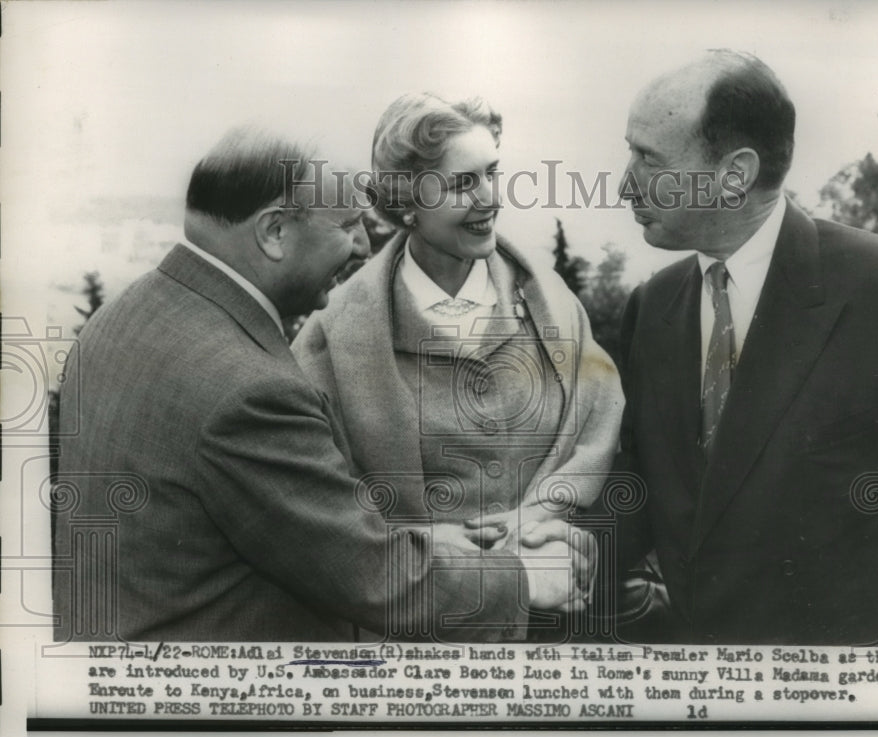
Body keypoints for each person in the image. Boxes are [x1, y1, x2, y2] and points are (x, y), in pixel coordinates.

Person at [52, 125, 588, 643]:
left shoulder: (119, 318)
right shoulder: (250, 393)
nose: (363, 245)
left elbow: (276, 531)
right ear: (274, 232)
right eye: (348, 223)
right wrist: (525, 579)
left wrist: (423, 543)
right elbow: (373, 578)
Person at [615, 50, 878, 645]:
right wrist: (562, 546)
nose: (624, 184)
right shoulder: (651, 308)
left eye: (649, 159)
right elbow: (639, 494)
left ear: (735, 174)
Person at [293, 94, 624, 638]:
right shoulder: (332, 337)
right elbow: (321, 507)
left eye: (491, 173)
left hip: (553, 619)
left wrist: (538, 518)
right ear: (407, 202)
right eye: (462, 183)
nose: (490, 198)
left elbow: (598, 426)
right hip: (407, 634)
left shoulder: (554, 303)